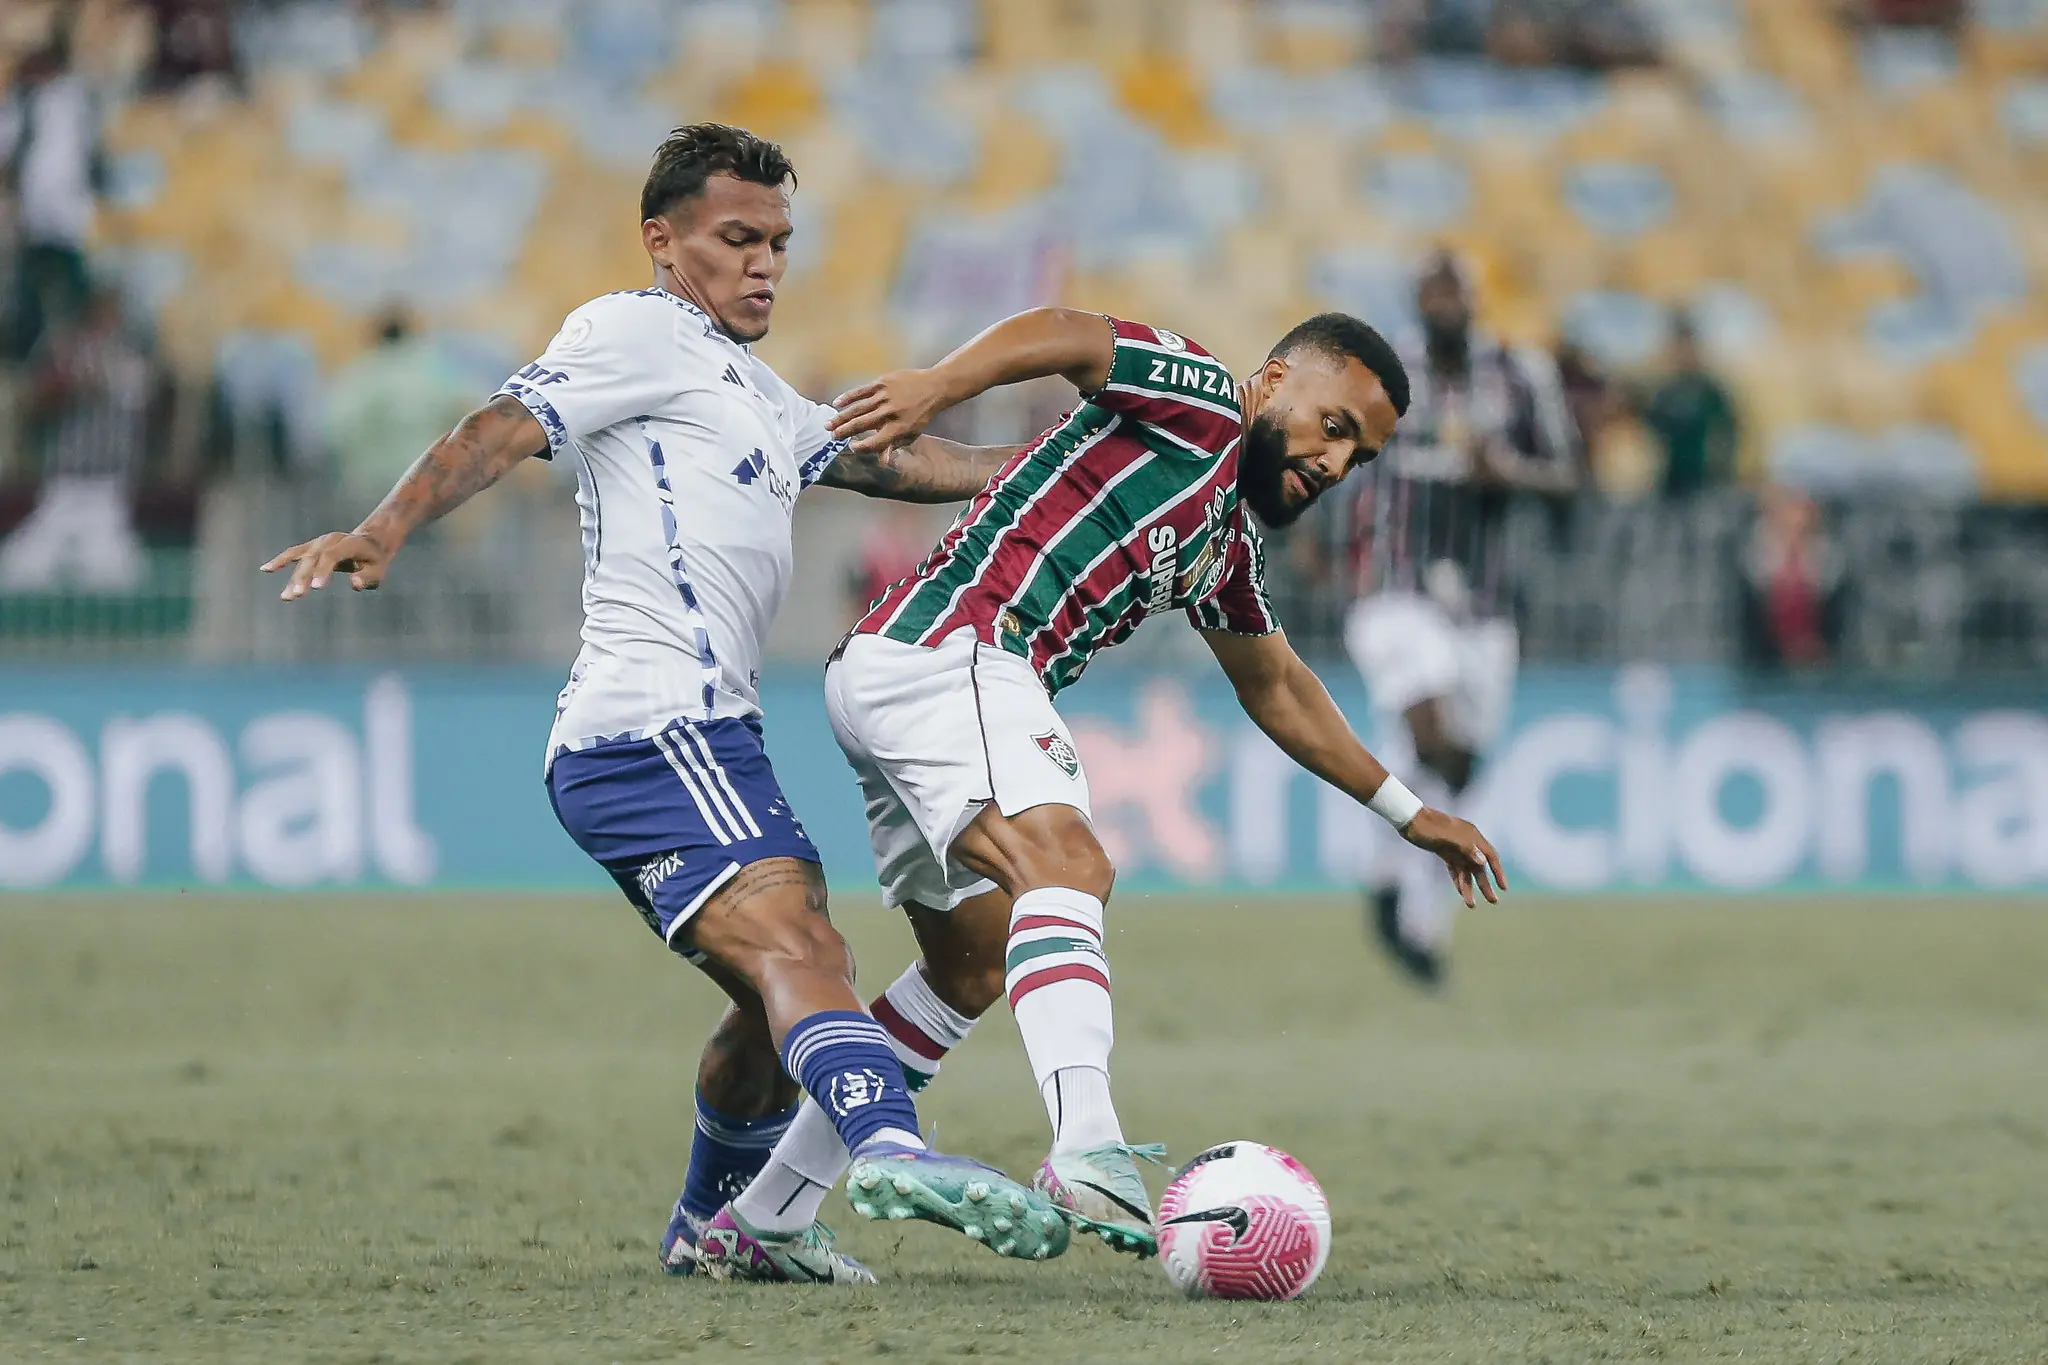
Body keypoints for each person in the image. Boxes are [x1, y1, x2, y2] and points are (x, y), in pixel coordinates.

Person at [260, 124, 1062, 1285]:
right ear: (662, 240)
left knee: (774, 990)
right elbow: (497, 427)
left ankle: (709, 1225)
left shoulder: (753, 385)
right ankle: (891, 1148)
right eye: (737, 238)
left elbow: (891, 461)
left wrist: (1060, 466)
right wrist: (382, 530)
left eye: (779, 242)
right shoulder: (628, 329)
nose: (764, 264)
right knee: (801, 952)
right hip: (649, 725)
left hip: (708, 734)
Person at [729, 305, 1508, 1261]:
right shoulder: (1203, 401)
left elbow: (1278, 687)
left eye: (1360, 457)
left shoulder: (1225, 545)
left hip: (908, 671)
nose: (1334, 464)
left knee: (970, 964)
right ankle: (1086, 1142)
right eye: (1333, 425)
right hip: (956, 651)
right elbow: (1071, 335)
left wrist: (1412, 810)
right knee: (1068, 862)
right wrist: (937, 385)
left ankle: (769, 1213)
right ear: (1274, 380)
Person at [1344, 251, 1577, 986]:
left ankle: (1399, 895)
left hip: (1484, 604)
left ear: (1475, 297)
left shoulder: (1520, 375)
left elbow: (1570, 479)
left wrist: (1508, 472)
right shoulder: (1380, 373)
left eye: (1455, 288)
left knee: (1461, 764)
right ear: (1416, 298)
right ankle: (1410, 909)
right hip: (1394, 589)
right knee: (1433, 733)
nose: (1444, 301)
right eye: (1431, 289)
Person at [0, 288, 152, 592]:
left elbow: (134, 395)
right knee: (19, 570)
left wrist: (92, 373)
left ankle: (107, 639)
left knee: (114, 575)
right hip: (63, 483)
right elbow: (37, 400)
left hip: (107, 486)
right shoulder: (66, 350)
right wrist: (65, 373)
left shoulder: (131, 357)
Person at [0, 33, 101, 361]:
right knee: (30, 289)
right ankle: (24, 353)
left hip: (72, 210)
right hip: (31, 213)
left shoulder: (74, 95)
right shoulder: (21, 102)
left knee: (73, 286)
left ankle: (78, 350)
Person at [322, 310, 476, 513]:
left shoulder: (360, 375)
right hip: (424, 478)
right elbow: (466, 409)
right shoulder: (433, 370)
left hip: (369, 484)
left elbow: (335, 429)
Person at [1641, 311, 1739, 501]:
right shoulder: (1663, 391)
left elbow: (1728, 431)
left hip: (1706, 481)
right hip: (1670, 481)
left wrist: (1719, 467)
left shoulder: (1709, 390)